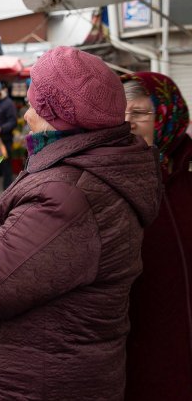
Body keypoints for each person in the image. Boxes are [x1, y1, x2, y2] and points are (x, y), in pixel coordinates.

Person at [0, 46, 161, 400]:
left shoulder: (67, 194)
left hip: (34, 383)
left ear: (58, 114)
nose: (28, 115)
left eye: (35, 105)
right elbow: (14, 248)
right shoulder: (72, 167)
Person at [121, 72, 192, 401]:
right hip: (132, 324)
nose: (129, 123)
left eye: (139, 113)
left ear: (168, 115)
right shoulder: (113, 173)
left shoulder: (186, 175)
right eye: (122, 114)